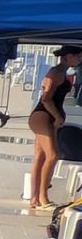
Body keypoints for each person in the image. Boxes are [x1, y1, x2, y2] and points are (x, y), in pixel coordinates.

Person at [28, 46, 82, 209]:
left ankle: (35, 198)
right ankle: (43, 197)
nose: (80, 59)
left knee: (40, 157)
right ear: (67, 56)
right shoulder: (56, 74)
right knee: (52, 155)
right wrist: (58, 117)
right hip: (43, 115)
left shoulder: (60, 73)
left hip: (44, 116)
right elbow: (45, 99)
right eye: (78, 56)